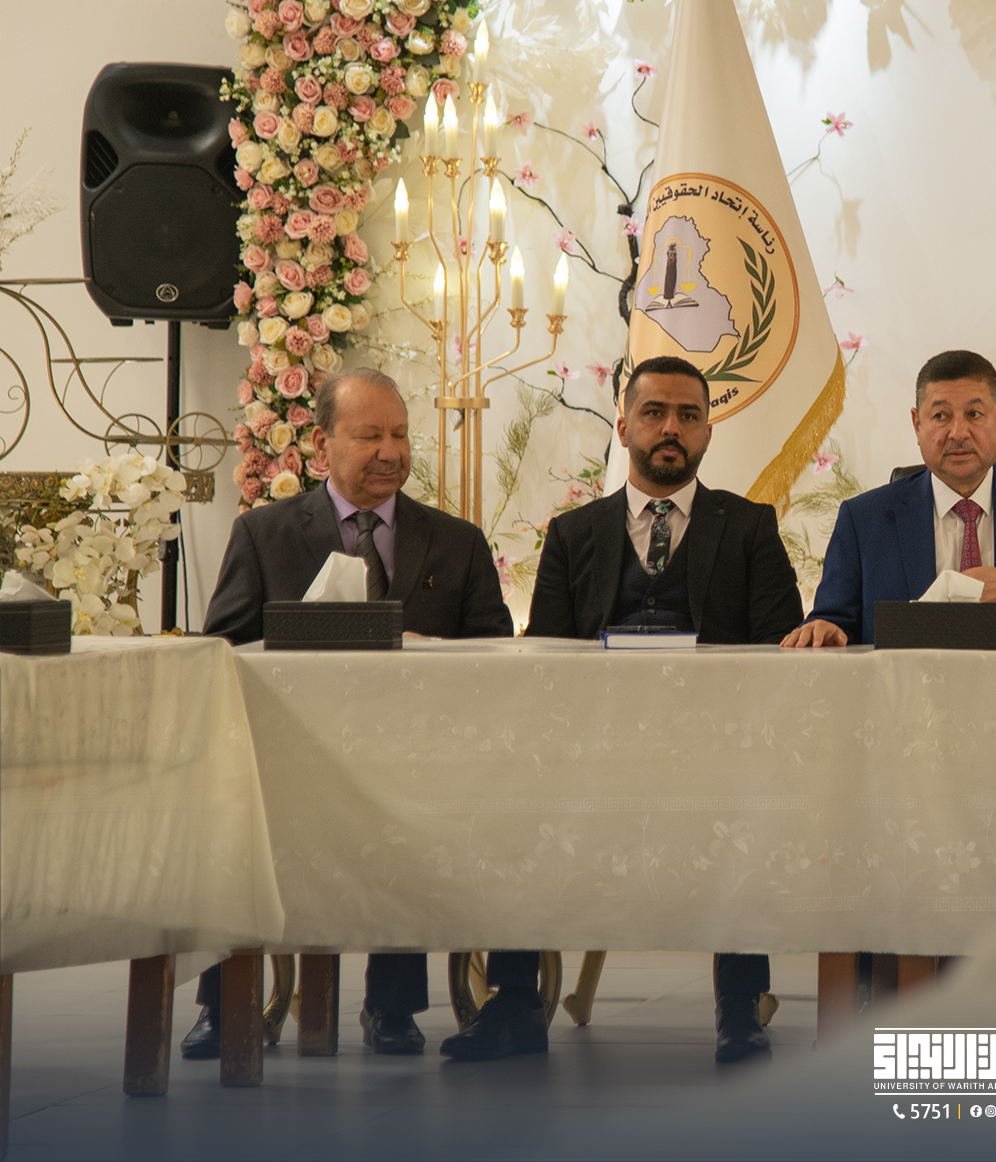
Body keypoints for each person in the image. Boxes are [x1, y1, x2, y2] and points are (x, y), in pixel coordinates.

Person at [196, 368, 514, 1061]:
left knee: (407, 815)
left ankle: (392, 1008)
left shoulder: (455, 541)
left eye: (399, 434)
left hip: (418, 765)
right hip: (288, 765)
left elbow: (495, 658)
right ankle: (225, 1008)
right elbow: (222, 653)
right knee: (228, 821)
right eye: (369, 436)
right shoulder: (265, 534)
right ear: (323, 443)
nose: (390, 452)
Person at [527, 355, 804, 1063]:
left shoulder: (750, 527)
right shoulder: (572, 534)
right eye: (654, 413)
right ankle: (513, 1004)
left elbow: (781, 648)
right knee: (516, 798)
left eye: (688, 415)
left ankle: (739, 1005)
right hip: (593, 752)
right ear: (624, 427)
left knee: (746, 801)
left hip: (718, 751)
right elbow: (546, 661)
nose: (671, 428)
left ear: (708, 431)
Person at [784, 350, 996, 649]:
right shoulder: (864, 520)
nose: (958, 432)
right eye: (940, 416)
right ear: (917, 425)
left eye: (974, 414)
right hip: (908, 701)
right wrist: (823, 630)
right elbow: (832, 626)